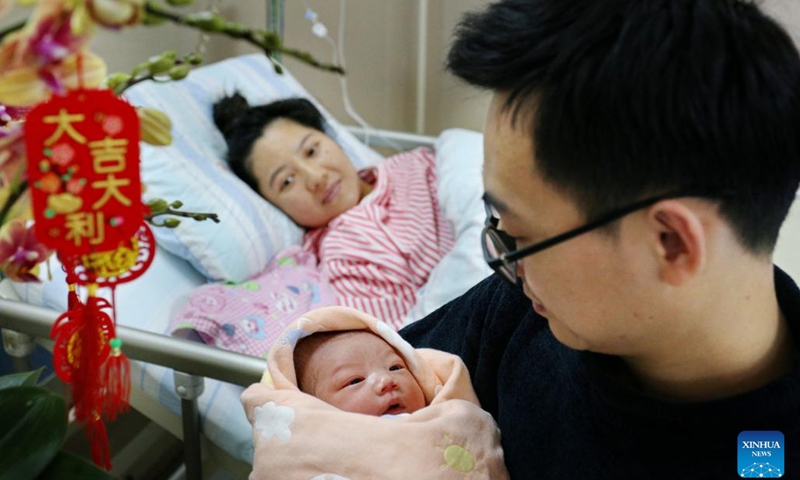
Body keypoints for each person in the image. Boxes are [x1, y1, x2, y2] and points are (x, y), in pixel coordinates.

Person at [399, 0, 800, 478]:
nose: (507, 263)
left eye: (521, 234)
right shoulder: (521, 314)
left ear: (670, 242)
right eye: (497, 221)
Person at [212, 94, 454, 330]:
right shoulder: (346, 252)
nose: (316, 177)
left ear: (331, 139)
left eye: (311, 151)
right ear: (274, 206)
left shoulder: (413, 163)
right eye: (287, 181)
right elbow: (411, 338)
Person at [240, 306, 509, 479]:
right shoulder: (313, 445)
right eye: (355, 381)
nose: (386, 381)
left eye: (396, 367)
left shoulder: (445, 417)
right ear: (312, 406)